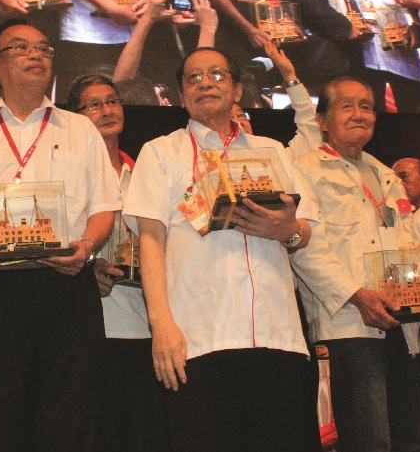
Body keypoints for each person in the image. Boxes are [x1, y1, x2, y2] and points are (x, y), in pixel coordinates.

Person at [0, 19, 121, 452]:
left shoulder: (80, 129)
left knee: (73, 425)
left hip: (66, 288)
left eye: (43, 48)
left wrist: (87, 247)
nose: (36, 55)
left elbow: (104, 207)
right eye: (20, 48)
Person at [123, 46, 318, 452]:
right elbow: (150, 239)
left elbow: (305, 230)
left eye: (216, 74)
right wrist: (161, 324)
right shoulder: (161, 152)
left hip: (278, 335)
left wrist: (287, 231)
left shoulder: (273, 151)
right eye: (193, 78)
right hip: (198, 339)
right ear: (181, 96)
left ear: (237, 90)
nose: (205, 84)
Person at [290, 76, 420, 452]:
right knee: (369, 443)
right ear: (322, 120)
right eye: (346, 106)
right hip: (348, 326)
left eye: (366, 106)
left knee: (412, 441)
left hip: (400, 326)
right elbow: (305, 250)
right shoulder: (303, 169)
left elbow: (405, 245)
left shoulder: (386, 174)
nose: (359, 114)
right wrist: (357, 295)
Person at [67, 74, 168, 452]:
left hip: (147, 329)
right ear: (76, 117)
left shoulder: (145, 173)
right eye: (93, 104)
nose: (107, 110)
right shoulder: (68, 180)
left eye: (112, 101)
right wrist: (85, 270)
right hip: (92, 331)